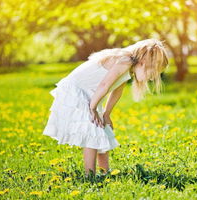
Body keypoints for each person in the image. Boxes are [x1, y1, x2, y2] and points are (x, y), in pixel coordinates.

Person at [42, 38, 169, 177]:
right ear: (143, 63)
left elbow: (116, 91)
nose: (151, 79)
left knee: (103, 129)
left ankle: (105, 172)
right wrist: (92, 108)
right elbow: (104, 85)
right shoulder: (124, 61)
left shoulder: (128, 68)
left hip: (91, 95)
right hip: (77, 90)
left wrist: (106, 114)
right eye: (152, 74)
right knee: (92, 131)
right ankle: (89, 176)